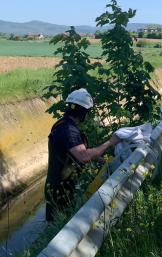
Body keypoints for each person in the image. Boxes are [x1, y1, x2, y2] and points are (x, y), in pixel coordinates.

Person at [45, 88, 120, 221]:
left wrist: (105, 162)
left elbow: (79, 152)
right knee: (58, 226)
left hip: (63, 186)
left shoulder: (66, 126)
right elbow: (84, 156)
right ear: (83, 112)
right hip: (59, 190)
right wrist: (110, 142)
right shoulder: (68, 131)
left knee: (64, 220)